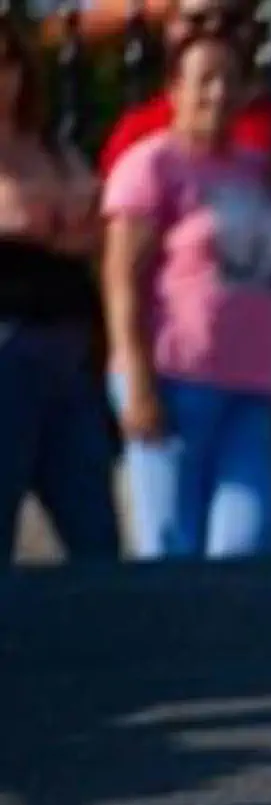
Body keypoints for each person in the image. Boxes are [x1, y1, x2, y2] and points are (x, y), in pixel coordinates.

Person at [100, 11, 271, 560]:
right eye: (203, 80)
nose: (217, 94)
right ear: (175, 89)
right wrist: (134, 377)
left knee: (246, 540)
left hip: (251, 382)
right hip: (173, 376)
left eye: (230, 80)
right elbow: (122, 276)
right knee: (171, 545)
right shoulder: (152, 164)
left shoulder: (263, 169)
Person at [0, 16, 121, 564]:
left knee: (93, 526)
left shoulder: (51, 146)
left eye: (7, 62)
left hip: (69, 348)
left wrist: (44, 224)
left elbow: (91, 227)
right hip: (9, 344)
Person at [97, 0, 271, 232]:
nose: (214, 29)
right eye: (196, 20)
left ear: (254, 28)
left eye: (232, 20)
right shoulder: (139, 130)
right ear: (170, 26)